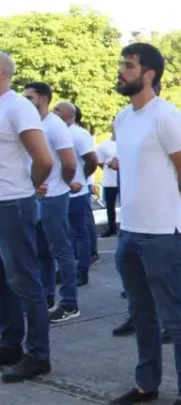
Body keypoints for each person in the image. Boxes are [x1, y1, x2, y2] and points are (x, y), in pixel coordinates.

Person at [105, 42, 181, 405]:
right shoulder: (123, 118)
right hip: (129, 232)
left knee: (174, 318)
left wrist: (172, 210)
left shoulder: (167, 117)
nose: (121, 71)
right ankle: (146, 384)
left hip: (161, 234)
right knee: (141, 314)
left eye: (128, 66)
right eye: (122, 64)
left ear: (149, 74)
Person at [0, 52, 56, 383]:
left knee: (24, 280)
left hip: (13, 204)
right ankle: (9, 344)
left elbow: (45, 160)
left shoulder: (18, 106)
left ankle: (38, 354)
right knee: (4, 280)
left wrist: (28, 187)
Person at [23, 82, 80, 323]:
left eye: (30, 97)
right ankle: (46, 298)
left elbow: (70, 163)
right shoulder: (32, 123)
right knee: (41, 251)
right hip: (35, 196)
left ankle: (70, 303)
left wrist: (63, 184)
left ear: (44, 99)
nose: (25, 101)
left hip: (54, 197)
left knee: (61, 251)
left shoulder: (55, 126)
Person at [53, 102, 99, 286]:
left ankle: (82, 271)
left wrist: (82, 177)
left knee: (80, 233)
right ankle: (65, 270)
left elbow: (92, 161)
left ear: (69, 115)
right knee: (63, 236)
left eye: (58, 109)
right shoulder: (54, 131)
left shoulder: (79, 134)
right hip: (58, 192)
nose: (54, 111)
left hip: (77, 193)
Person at [95, 123, 119, 237]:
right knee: (110, 205)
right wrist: (109, 166)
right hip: (110, 180)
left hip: (125, 180)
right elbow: (99, 162)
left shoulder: (126, 143)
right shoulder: (104, 146)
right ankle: (111, 228)